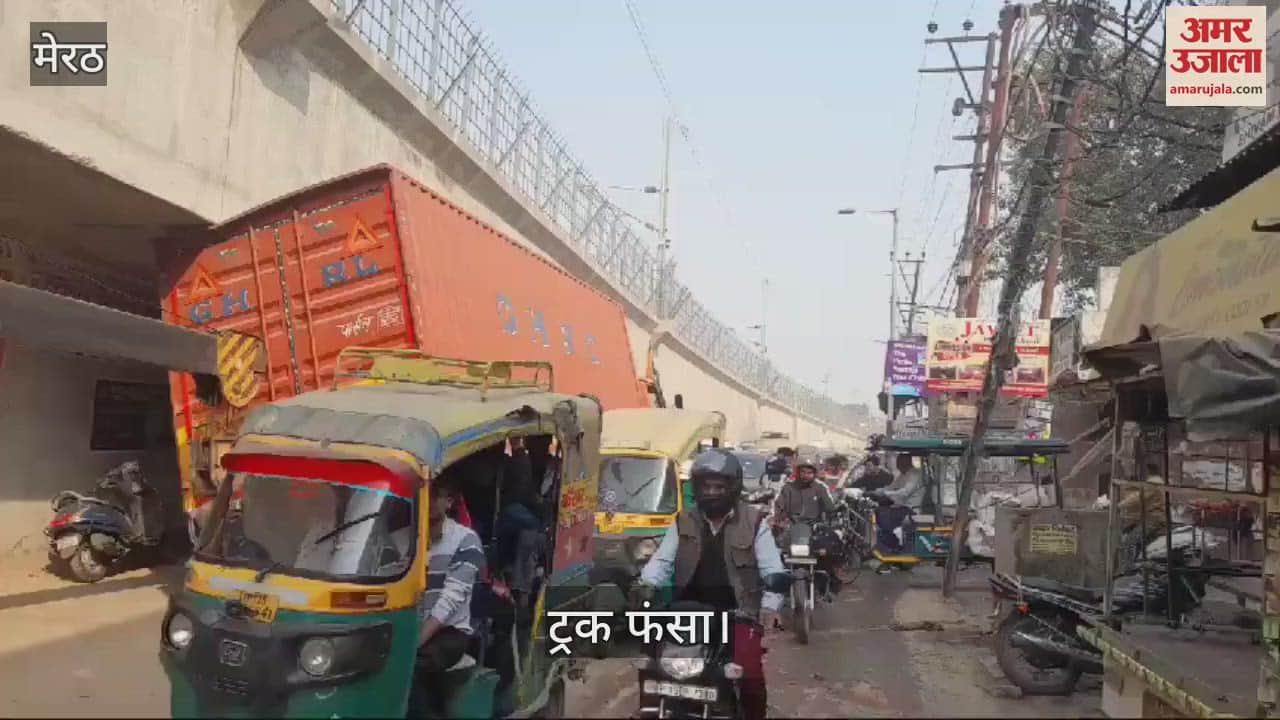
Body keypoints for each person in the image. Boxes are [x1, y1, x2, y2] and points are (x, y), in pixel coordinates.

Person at [634, 449, 787, 720]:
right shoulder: (683, 521)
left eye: (719, 486)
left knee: (750, 674)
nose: (712, 492)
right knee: (651, 662)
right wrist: (646, 585)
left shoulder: (755, 522)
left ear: (733, 487)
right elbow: (661, 562)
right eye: (706, 486)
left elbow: (772, 568)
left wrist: (771, 604)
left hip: (738, 614)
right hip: (688, 610)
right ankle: (653, 709)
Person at [410, 477, 485, 717]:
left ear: (449, 502)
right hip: (409, 625)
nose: (429, 501)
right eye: (424, 495)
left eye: (435, 496)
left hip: (448, 632)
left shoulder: (465, 540)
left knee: (410, 667)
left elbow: (450, 600)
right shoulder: (406, 536)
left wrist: (416, 640)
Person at [870, 455, 925, 559]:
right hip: (901, 507)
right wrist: (874, 492)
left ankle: (893, 545)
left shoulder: (914, 474)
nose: (897, 465)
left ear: (906, 462)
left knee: (883, 516)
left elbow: (905, 492)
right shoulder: (903, 475)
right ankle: (888, 544)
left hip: (911, 509)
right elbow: (891, 486)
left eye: (899, 463)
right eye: (897, 463)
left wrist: (886, 494)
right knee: (877, 512)